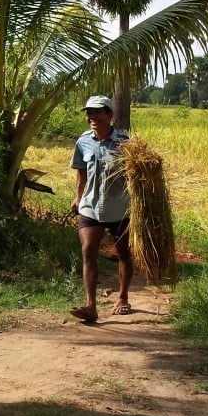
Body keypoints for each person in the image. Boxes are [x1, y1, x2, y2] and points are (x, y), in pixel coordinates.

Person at [69, 95, 133, 323]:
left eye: (97, 112)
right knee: (88, 251)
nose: (92, 117)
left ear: (110, 115)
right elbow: (81, 173)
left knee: (124, 252)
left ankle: (123, 297)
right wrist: (78, 198)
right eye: (89, 113)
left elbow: (139, 176)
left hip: (120, 208)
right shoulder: (83, 142)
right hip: (90, 207)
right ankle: (91, 306)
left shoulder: (125, 144)